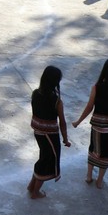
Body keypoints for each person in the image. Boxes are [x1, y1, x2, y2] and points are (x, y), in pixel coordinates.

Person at [71, 58, 108, 189]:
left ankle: (89, 175)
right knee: (106, 153)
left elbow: (90, 106)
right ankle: (100, 180)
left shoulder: (97, 87)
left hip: (98, 125)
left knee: (94, 149)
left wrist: (78, 121)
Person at [27, 66, 70, 199]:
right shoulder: (57, 101)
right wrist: (65, 138)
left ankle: (31, 185)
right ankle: (35, 192)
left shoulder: (35, 93)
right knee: (47, 161)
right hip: (50, 135)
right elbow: (62, 122)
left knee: (43, 157)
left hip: (38, 132)